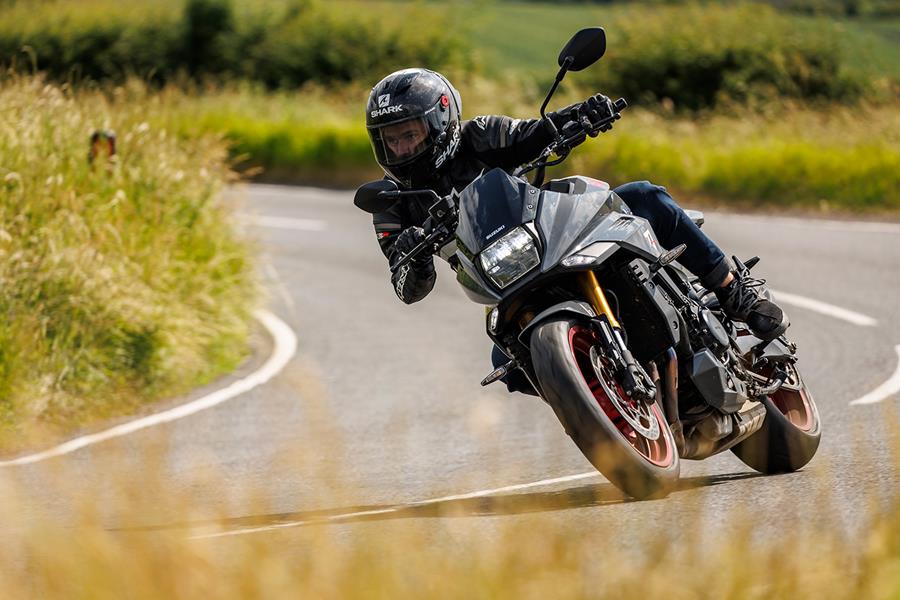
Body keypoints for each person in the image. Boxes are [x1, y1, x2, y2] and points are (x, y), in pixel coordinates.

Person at [360, 68, 788, 392]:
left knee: (642, 197)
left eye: (409, 135)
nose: (401, 148)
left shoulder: (481, 136)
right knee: (508, 362)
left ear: (440, 121)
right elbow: (406, 287)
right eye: (391, 139)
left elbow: (533, 134)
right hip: (503, 284)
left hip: (546, 235)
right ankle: (604, 403)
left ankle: (734, 290)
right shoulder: (392, 204)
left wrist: (582, 115)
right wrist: (412, 253)